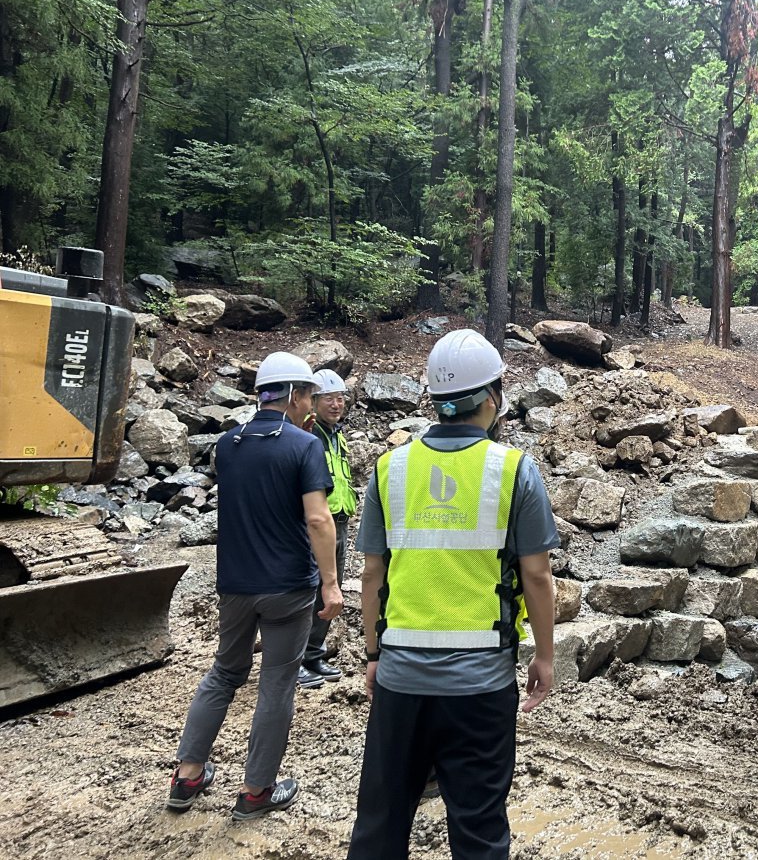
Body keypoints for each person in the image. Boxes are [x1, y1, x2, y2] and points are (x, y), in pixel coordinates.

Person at [346, 329, 557, 860]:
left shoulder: (390, 469)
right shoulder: (514, 469)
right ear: (493, 398)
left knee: (380, 825)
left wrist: (373, 654)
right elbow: (536, 577)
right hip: (481, 685)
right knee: (479, 830)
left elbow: (372, 575)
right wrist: (545, 655)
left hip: (400, 679)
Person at [166, 351, 345, 820]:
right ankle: (256, 791)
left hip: (235, 583)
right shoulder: (305, 446)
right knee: (277, 685)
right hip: (288, 585)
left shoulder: (228, 444)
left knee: (224, 673)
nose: (312, 404)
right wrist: (331, 584)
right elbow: (318, 519)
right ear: (295, 395)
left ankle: (187, 775)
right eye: (309, 395)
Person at [297, 368, 357, 689]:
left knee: (331, 591)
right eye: (329, 399)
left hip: (340, 522)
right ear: (314, 400)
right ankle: (295, 659)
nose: (336, 405)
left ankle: (313, 654)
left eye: (340, 399)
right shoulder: (308, 434)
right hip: (317, 522)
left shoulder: (337, 435)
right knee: (309, 589)